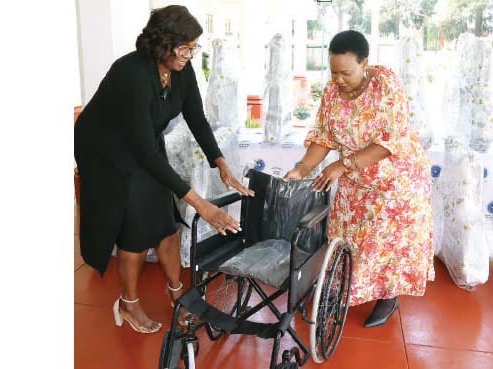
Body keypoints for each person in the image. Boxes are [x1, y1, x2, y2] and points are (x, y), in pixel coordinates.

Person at [74, 5, 253, 334]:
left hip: (142, 143)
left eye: (193, 47)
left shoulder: (182, 70)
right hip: (105, 149)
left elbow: (197, 119)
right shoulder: (131, 73)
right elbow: (141, 150)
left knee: (165, 219)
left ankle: (178, 295)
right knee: (136, 226)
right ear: (163, 42)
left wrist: (221, 163)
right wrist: (201, 204)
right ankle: (128, 304)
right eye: (185, 47)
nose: (190, 54)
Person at [284, 30, 434, 328]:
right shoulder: (331, 92)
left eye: (346, 72)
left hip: (396, 182)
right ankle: (344, 289)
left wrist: (344, 164)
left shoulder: (385, 84)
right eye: (333, 72)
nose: (338, 79)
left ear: (365, 63)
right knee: (349, 240)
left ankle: (388, 296)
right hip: (355, 182)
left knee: (386, 243)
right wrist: (301, 169)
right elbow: (324, 138)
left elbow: (391, 139)